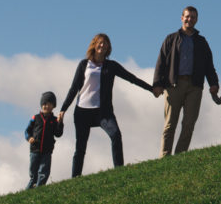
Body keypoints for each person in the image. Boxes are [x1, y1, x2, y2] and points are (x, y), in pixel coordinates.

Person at [60, 33, 157, 177]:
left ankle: (120, 172)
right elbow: (74, 88)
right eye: (100, 43)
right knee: (80, 147)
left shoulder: (111, 66)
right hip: (82, 112)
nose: (102, 46)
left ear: (108, 48)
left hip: (103, 112)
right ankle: (75, 178)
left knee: (116, 135)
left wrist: (151, 89)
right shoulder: (83, 64)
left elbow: (131, 78)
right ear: (94, 45)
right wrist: (63, 109)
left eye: (105, 44)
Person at [153, 6, 219, 156]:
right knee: (170, 124)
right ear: (182, 18)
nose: (190, 19)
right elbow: (161, 62)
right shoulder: (171, 39)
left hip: (194, 86)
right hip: (173, 85)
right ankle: (165, 157)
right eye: (187, 16)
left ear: (196, 20)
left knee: (189, 124)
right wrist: (157, 84)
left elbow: (209, 65)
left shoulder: (202, 42)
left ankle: (180, 156)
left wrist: (214, 83)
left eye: (193, 17)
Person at [24, 91, 63, 188]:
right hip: (35, 150)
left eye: (49, 104)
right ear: (41, 105)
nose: (46, 106)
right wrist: (29, 138)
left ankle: (38, 190)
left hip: (47, 151)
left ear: (53, 106)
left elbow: (58, 134)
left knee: (43, 172)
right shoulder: (35, 118)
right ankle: (27, 191)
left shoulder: (54, 120)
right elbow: (27, 131)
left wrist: (60, 123)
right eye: (44, 104)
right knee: (33, 174)